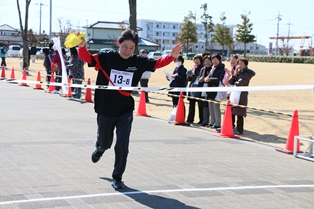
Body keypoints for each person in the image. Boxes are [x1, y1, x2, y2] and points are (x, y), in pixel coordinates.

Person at [77, 29, 183, 189]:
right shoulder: (106, 57)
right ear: (118, 44)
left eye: (131, 48)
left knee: (122, 144)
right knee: (106, 142)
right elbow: (87, 58)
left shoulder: (137, 61)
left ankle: (117, 176)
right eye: (124, 46)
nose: (127, 51)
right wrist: (82, 47)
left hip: (125, 109)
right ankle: (100, 148)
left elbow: (157, 63)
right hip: (105, 107)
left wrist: (172, 56)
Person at [228, 57, 256, 135]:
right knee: (232, 111)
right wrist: (234, 74)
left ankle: (240, 129)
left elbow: (241, 83)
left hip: (242, 95)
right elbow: (230, 82)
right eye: (238, 63)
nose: (239, 65)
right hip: (235, 94)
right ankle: (231, 126)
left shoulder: (246, 73)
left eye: (241, 64)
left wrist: (235, 82)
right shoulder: (238, 72)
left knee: (240, 112)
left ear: (245, 65)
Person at [204, 53, 225, 129]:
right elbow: (209, 76)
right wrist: (206, 78)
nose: (214, 61)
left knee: (216, 108)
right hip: (210, 90)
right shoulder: (213, 68)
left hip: (216, 90)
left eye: (216, 59)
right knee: (211, 107)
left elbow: (219, 79)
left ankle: (217, 123)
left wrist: (210, 80)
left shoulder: (222, 68)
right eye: (213, 59)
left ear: (219, 60)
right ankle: (212, 121)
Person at [186, 54, 204, 124]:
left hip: (199, 88)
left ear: (201, 60)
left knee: (200, 106)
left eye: (198, 59)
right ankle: (190, 119)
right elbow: (189, 79)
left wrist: (194, 75)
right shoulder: (193, 68)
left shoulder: (202, 68)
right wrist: (189, 76)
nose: (196, 61)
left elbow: (200, 77)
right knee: (191, 105)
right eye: (195, 59)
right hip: (192, 88)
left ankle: (201, 120)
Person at [198, 55, 212, 126]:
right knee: (204, 106)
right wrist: (201, 79)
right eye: (205, 61)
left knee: (210, 106)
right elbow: (199, 78)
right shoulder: (203, 69)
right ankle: (204, 120)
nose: (207, 63)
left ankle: (210, 121)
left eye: (209, 61)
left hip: (210, 89)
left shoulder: (212, 69)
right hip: (203, 89)